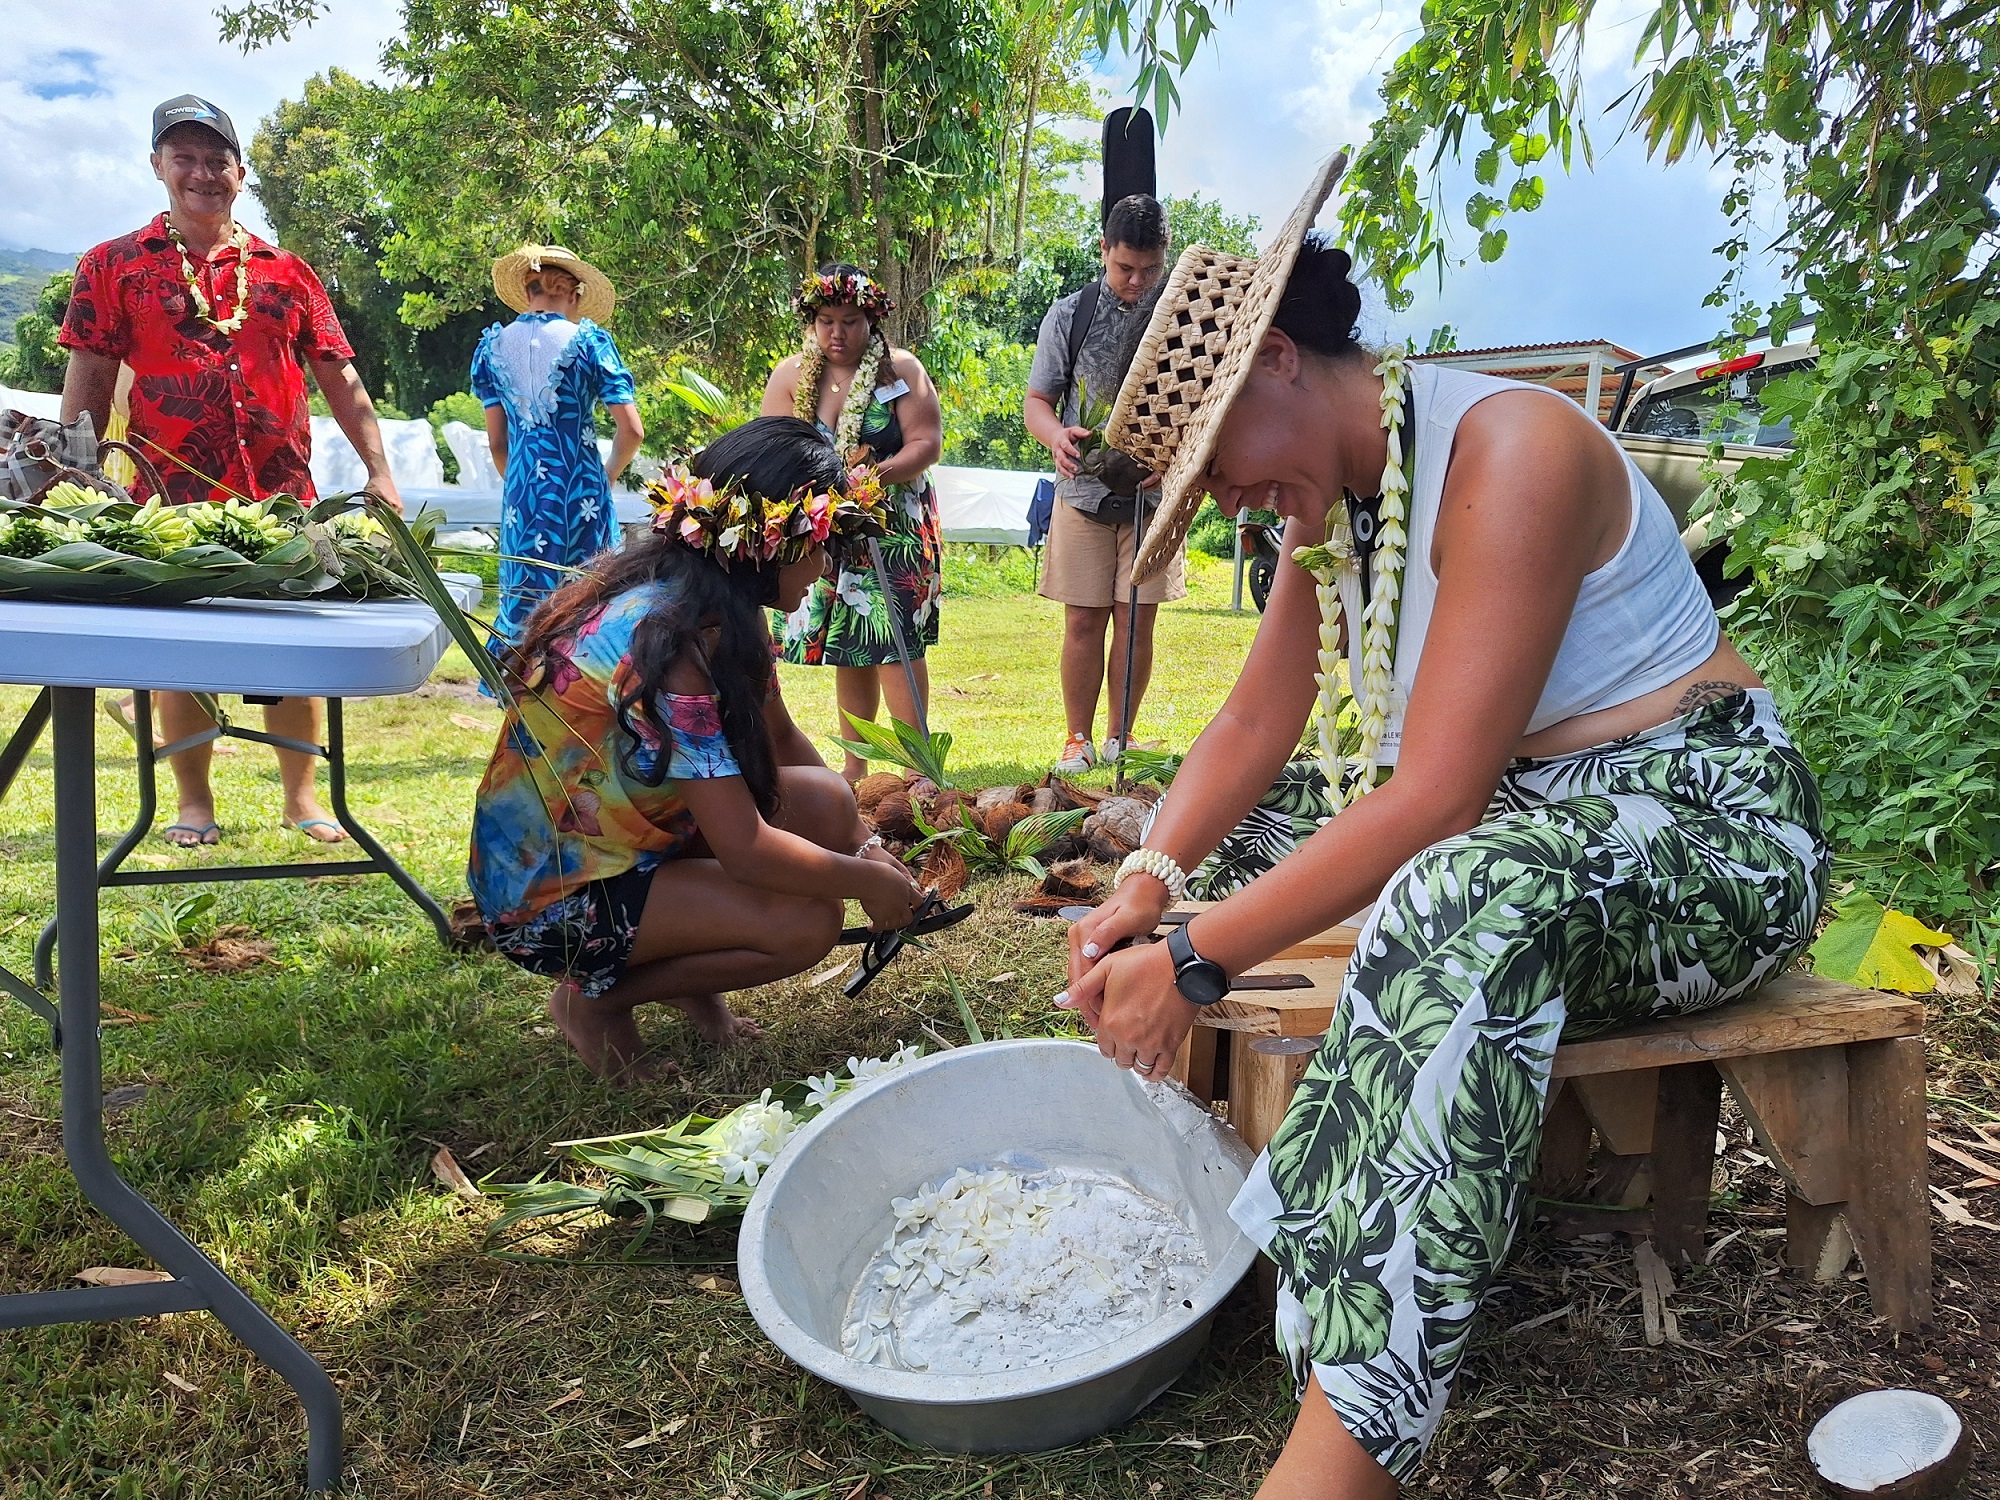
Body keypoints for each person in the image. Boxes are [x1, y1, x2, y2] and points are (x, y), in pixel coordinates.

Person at [1063, 156, 1828, 1497]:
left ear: (1281, 363)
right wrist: (1149, 879)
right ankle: (1289, 1238)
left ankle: (1349, 1438)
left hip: (1705, 829)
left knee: (1443, 894)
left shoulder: (1509, 452)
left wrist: (1196, 961)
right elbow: (1255, 730)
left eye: (1219, 470)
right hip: (1537, 832)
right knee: (1252, 843)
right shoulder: (1343, 517)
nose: (1229, 507)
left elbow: (1437, 801)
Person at [469, 417, 923, 1082]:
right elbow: (745, 846)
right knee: (805, 924)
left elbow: (782, 742)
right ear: (770, 543)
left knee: (827, 798)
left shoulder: (713, 607)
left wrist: (857, 840)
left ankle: (689, 979)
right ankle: (594, 1004)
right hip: (550, 903)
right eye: (822, 544)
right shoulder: (668, 646)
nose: (826, 566)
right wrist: (870, 884)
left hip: (630, 845)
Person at [58, 94, 406, 847]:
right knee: (181, 657)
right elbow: (89, 372)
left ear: (240, 173)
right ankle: (193, 805)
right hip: (165, 501)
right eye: (184, 157)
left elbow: (340, 377)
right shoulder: (111, 264)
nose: (201, 172)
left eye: (216, 159)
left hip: (281, 499)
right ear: (158, 166)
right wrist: (73, 473)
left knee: (293, 652)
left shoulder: (287, 271)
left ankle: (304, 798)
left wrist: (381, 473)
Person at [761, 266, 943, 782]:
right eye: (825, 321)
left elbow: (925, 444)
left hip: (892, 523)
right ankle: (856, 769)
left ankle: (917, 769)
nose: (836, 333)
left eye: (849, 321)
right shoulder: (791, 374)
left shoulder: (899, 369)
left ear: (872, 320)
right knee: (850, 643)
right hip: (827, 527)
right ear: (811, 321)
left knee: (894, 640)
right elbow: (774, 444)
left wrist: (871, 476)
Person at [1024, 194, 1182, 774]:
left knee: (1137, 619)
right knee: (1085, 620)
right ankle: (1077, 737)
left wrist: (1176, 460)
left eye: (1150, 269)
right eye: (1125, 268)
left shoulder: (1182, 316)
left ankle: (1122, 733)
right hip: (1083, 496)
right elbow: (1038, 401)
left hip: (1152, 499)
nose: (1137, 281)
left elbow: (1207, 401)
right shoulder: (1071, 313)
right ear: (1103, 252)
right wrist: (1056, 437)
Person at [473, 244, 645, 645]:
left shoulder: (490, 349)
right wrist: (607, 476)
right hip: (581, 487)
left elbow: (499, 441)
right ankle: (582, 696)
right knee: (587, 601)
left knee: (525, 599)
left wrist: (522, 482)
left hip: (522, 495)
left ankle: (520, 694)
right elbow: (632, 430)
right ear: (575, 294)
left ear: (528, 291)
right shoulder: (589, 342)